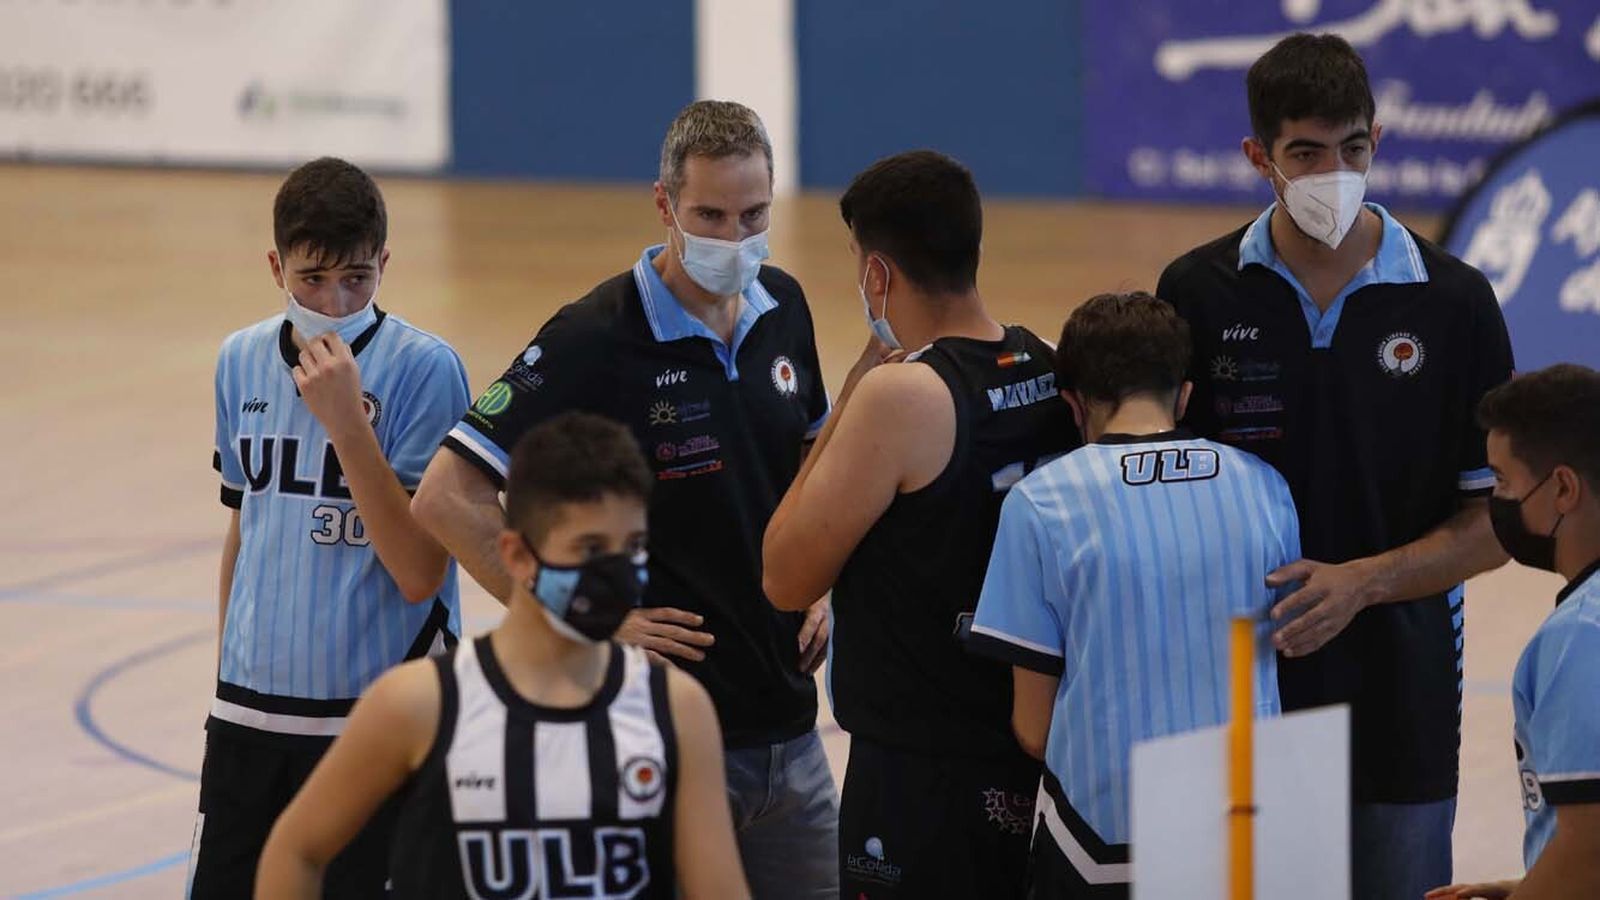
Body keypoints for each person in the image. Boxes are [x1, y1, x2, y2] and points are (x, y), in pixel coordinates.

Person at [411, 100, 838, 897]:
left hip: (793, 738)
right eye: (710, 217)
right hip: (656, 745)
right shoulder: (593, 337)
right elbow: (446, 496)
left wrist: (821, 579)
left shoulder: (784, 306)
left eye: (753, 216)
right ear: (664, 204)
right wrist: (578, 618)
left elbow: (811, 453)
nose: (734, 241)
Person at [1154, 32, 1514, 899]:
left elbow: (1495, 522)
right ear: (1260, 158)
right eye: (1307, 154)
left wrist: (1363, 582)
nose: (1335, 174)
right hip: (1237, 679)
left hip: (1402, 690)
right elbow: (1159, 489)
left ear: (1377, 140)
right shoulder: (1197, 292)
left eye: (1352, 148)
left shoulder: (1456, 302)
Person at [256, 412, 749, 898]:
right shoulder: (417, 704)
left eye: (633, 546)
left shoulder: (676, 709)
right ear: (517, 555)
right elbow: (296, 850)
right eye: (591, 548)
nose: (616, 571)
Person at [762, 149, 1078, 897]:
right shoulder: (1047, 361)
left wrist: (853, 392)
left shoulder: (900, 397)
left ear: (877, 273)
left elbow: (785, 576)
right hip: (1037, 758)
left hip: (922, 780)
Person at [189, 157, 470, 897]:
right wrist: (227, 678)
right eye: (312, 279)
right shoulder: (239, 360)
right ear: (276, 267)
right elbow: (245, 528)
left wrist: (348, 423)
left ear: (384, 265)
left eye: (356, 278)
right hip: (248, 715)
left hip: (372, 722)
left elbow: (419, 572)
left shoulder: (426, 370)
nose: (335, 302)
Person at [967, 292, 1298, 898]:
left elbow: (1034, 728)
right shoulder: (1266, 489)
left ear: (1074, 404)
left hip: (1097, 842)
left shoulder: (1040, 502)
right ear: (1185, 395)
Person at [1425, 365, 1600, 900]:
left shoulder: (1581, 636)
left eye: (1502, 482)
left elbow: (1590, 852)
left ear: (1563, 488)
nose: (1495, 503)